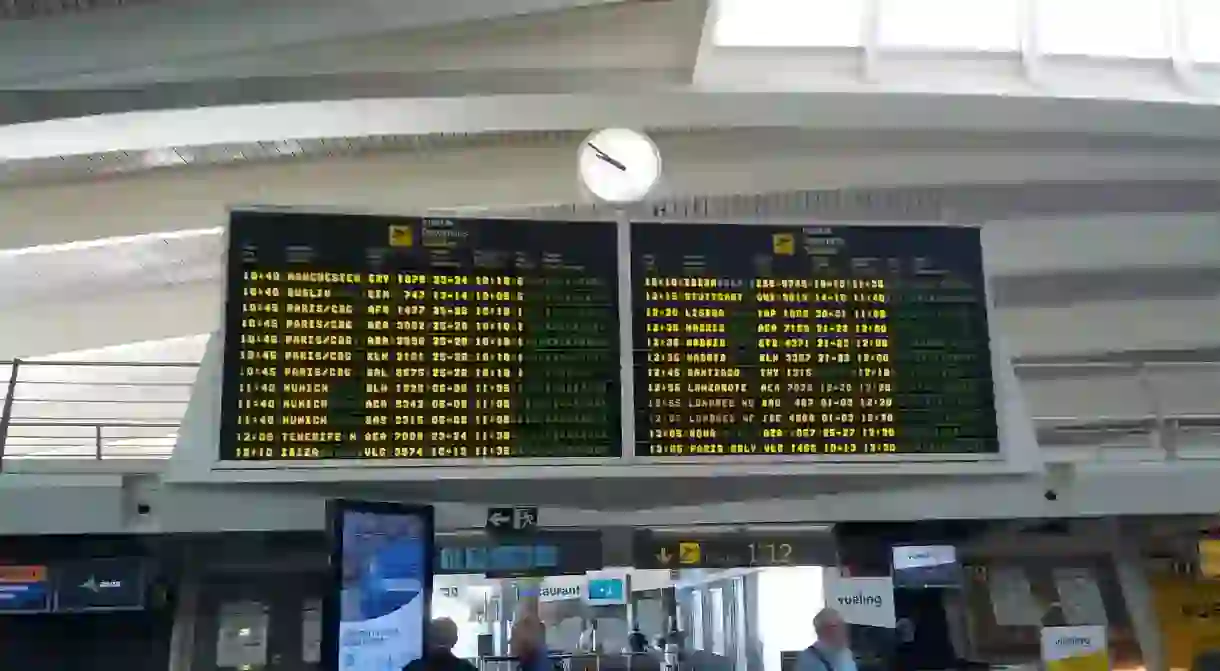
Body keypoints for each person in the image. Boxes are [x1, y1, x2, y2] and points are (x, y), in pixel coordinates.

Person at [403, 617, 478, 671]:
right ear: (455, 640)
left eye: (445, 636)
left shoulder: (413, 668)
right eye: (437, 635)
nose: (441, 637)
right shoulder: (467, 669)